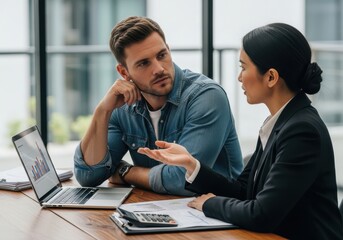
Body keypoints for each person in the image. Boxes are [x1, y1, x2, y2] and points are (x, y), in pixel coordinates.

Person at [138, 23, 343, 239]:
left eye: (243, 67)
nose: (239, 77)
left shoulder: (302, 131)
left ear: (271, 77)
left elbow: (262, 214)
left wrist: (210, 204)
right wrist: (191, 164)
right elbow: (244, 191)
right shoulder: (280, 121)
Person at [73, 16, 243, 196]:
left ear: (168, 50)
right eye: (144, 63)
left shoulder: (206, 97)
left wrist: (125, 172)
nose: (159, 69)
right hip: (159, 210)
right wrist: (102, 111)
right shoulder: (123, 106)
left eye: (162, 55)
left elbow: (183, 180)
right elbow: (89, 176)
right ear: (124, 72)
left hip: (220, 215)